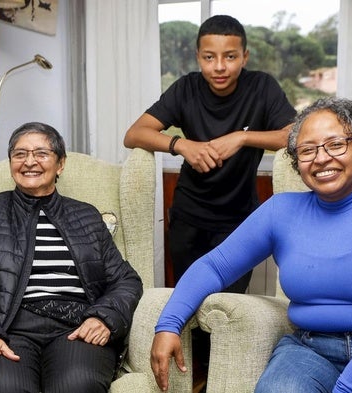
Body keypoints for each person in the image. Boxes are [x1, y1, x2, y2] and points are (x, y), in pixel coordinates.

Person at [150, 97, 352, 393]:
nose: (321, 158)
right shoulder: (281, 211)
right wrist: (169, 324)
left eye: (336, 145)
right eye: (307, 150)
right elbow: (214, 265)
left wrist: (346, 389)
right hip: (313, 350)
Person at [0, 122, 143, 393]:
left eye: (41, 153)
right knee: (3, 386)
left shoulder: (86, 216)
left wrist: (104, 317)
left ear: (60, 164)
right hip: (7, 328)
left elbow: (126, 280)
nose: (29, 162)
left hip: (75, 328)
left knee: (76, 384)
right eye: (20, 154)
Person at [124, 14, 296, 292]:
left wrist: (242, 137)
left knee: (229, 310)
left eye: (230, 57)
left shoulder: (262, 87)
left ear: (245, 57)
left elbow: (296, 136)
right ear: (197, 57)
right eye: (208, 57)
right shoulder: (186, 88)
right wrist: (180, 145)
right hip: (188, 217)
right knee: (190, 303)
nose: (219, 67)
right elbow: (134, 134)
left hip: (240, 222)